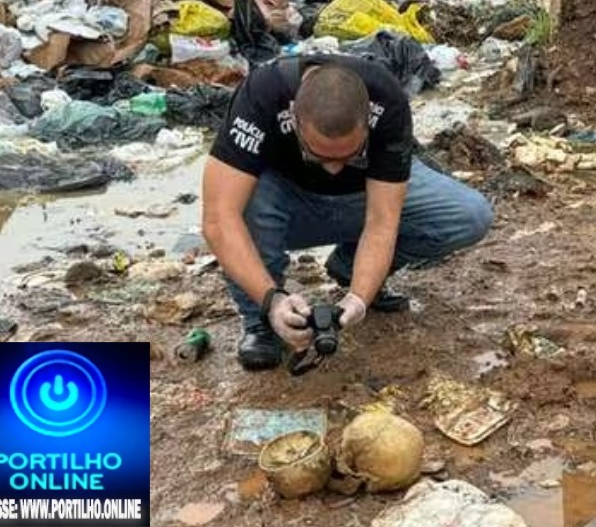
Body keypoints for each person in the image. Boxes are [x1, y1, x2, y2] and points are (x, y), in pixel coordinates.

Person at [202, 53, 494, 371]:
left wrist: (359, 298)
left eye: (350, 154)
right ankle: (259, 322)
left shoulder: (385, 98)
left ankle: (350, 264)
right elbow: (219, 219)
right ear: (295, 121)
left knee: (470, 214)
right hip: (287, 203)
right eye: (319, 154)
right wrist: (271, 300)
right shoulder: (262, 95)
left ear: (365, 124)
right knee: (240, 197)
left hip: (363, 196)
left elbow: (383, 221)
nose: (334, 168)